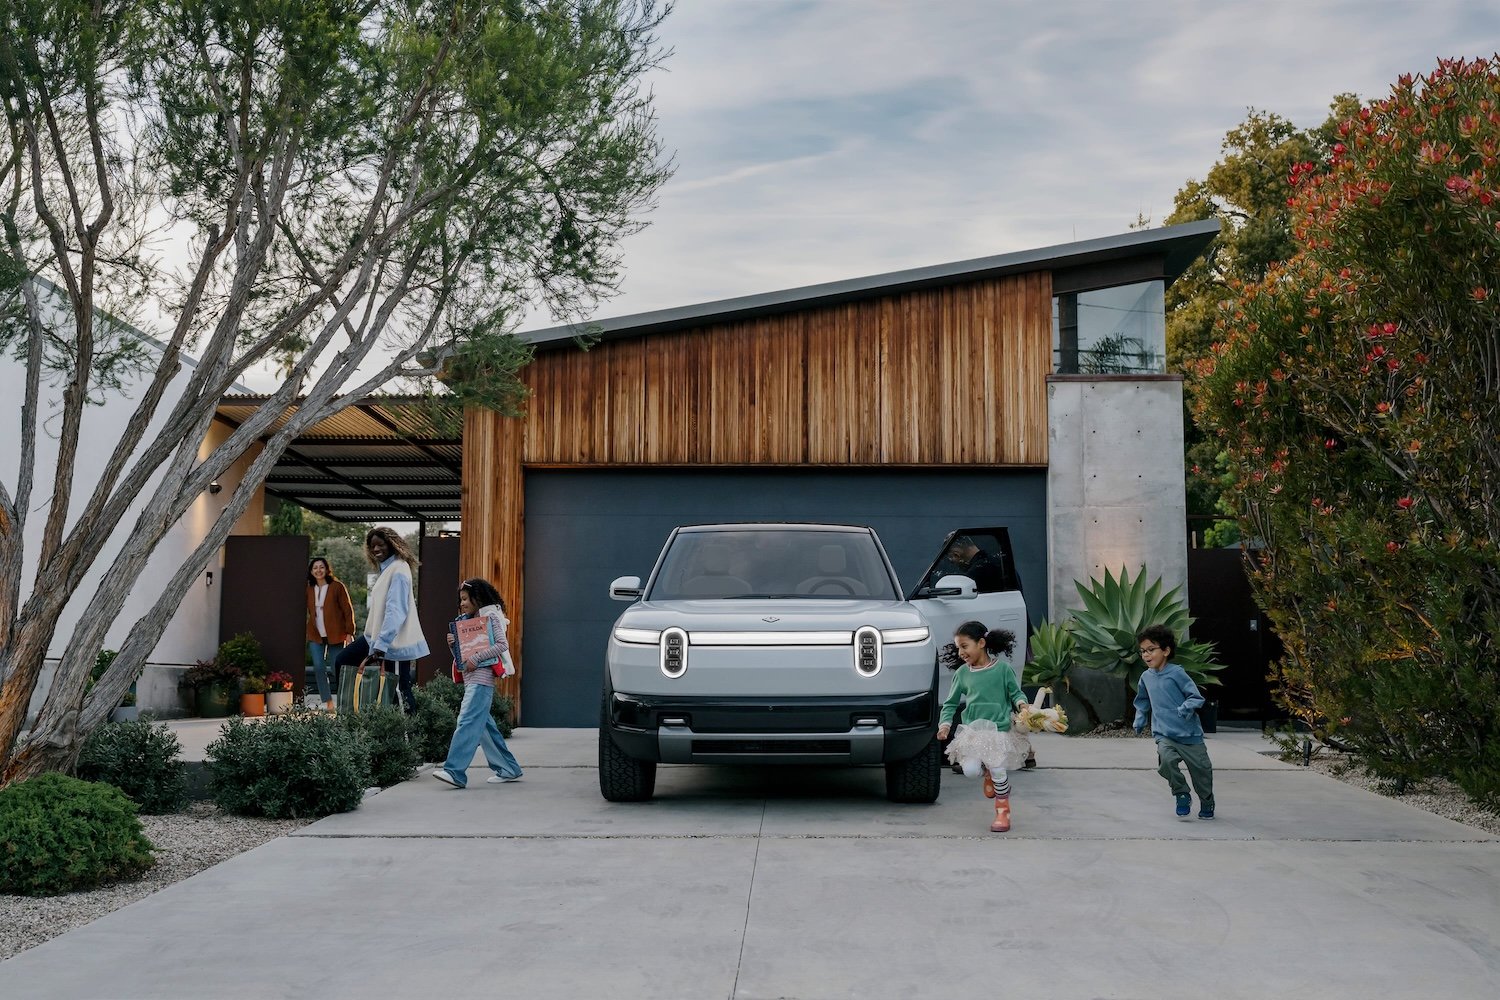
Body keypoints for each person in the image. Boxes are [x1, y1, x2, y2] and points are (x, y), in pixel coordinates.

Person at [936, 621, 1031, 833]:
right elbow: (950, 703)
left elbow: (1015, 693)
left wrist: (1022, 705)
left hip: (997, 730)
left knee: (999, 770)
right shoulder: (962, 674)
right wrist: (944, 725)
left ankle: (1002, 811)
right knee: (970, 771)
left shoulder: (1003, 670)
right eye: (958, 647)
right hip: (973, 732)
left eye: (964, 646)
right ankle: (986, 773)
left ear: (981, 643)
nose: (960, 652)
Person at [432, 578, 523, 789]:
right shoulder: (467, 619)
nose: (462, 603)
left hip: (482, 679)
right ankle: (509, 768)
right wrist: (453, 645)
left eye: (465, 598)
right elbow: (463, 657)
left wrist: (476, 659)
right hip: (472, 678)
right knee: (484, 728)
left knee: (467, 721)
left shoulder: (490, 616)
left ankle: (454, 771)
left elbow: (502, 645)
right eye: (460, 599)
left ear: (477, 597)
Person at [1133, 625, 1215, 819]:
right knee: (1166, 763)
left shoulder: (1177, 673)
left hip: (1189, 735)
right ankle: (1181, 794)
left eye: (1151, 649)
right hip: (1164, 734)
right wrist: (1140, 718)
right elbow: (1142, 700)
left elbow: (1195, 697)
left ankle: (1207, 801)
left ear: (1166, 651)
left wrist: (1184, 709)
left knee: (1202, 773)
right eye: (1143, 651)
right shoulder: (1146, 677)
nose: (1146, 655)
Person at [361, 526, 427, 714]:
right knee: (343, 659)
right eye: (372, 546)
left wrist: (382, 644)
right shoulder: (388, 569)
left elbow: (396, 611)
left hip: (393, 642)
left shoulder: (398, 569)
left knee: (400, 689)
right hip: (377, 638)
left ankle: (409, 739)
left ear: (392, 544)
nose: (375, 550)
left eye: (380, 545)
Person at [305, 557, 355, 712]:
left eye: (321, 567)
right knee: (319, 667)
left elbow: (347, 609)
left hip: (336, 634)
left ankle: (344, 700)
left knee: (336, 668)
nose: (318, 570)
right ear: (311, 571)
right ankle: (328, 703)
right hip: (315, 634)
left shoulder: (337, 586)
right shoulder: (308, 589)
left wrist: (349, 632)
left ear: (327, 569)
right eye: (315, 568)